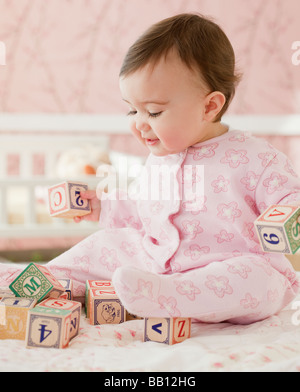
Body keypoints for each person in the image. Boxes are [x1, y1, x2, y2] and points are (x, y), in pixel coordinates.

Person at [1, 13, 299, 324]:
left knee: (256, 279)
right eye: (132, 109)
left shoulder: (257, 158)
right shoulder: (161, 158)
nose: (139, 123)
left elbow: (289, 199)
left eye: (154, 112)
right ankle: (41, 279)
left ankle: (171, 298)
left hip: (227, 265)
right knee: (104, 246)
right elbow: (144, 209)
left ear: (209, 106)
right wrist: (103, 206)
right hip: (155, 260)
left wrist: (289, 215)